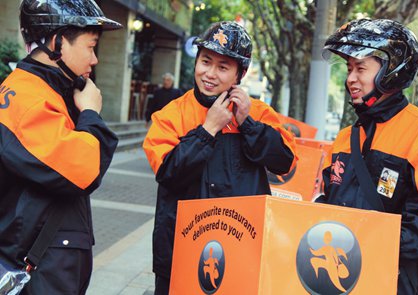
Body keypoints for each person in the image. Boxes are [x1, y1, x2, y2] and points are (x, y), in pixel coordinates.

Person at [143, 21, 298, 294]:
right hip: (181, 251)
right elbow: (169, 174)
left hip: (242, 252)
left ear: (240, 74)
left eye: (223, 67)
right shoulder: (170, 114)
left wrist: (248, 124)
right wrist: (208, 129)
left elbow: (285, 161)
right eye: (205, 61)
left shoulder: (258, 112)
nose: (210, 74)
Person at [319, 19, 418, 294]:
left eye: (360, 68)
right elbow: (329, 206)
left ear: (391, 72)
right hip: (337, 281)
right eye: (349, 69)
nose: (350, 78)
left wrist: (356, 241)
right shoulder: (345, 137)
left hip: (395, 285)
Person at [0, 0, 121, 294]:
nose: (95, 59)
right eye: (91, 46)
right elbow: (84, 170)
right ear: (57, 41)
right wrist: (91, 114)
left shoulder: (42, 89)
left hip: (43, 260)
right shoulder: (29, 98)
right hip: (38, 268)